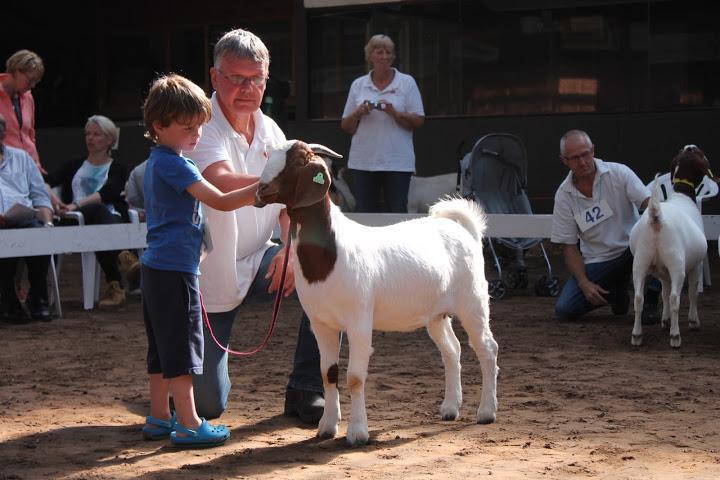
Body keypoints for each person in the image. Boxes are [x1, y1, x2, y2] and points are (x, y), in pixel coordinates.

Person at [186, 28, 325, 424]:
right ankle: (188, 382)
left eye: (256, 79)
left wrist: (292, 247)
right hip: (210, 269)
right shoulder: (200, 124)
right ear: (214, 78)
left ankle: (306, 389)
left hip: (261, 256)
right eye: (236, 78)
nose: (248, 88)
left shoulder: (272, 130)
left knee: (325, 273)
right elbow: (222, 181)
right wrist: (288, 179)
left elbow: (288, 207)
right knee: (208, 406)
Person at [140, 73, 260, 447]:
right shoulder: (178, 165)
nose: (196, 135)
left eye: (199, 127)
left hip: (157, 267)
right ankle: (190, 422)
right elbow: (221, 200)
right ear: (159, 126)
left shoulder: (157, 161)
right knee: (183, 348)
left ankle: (160, 416)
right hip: (176, 269)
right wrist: (268, 185)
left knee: (161, 347)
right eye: (188, 127)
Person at [551, 129, 660, 322]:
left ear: (593, 150)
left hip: (633, 249)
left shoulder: (619, 173)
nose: (583, 161)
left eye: (585, 154)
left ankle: (650, 297)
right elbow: (568, 247)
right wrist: (584, 284)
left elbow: (647, 204)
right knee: (565, 309)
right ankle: (617, 291)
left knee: (659, 240)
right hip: (598, 260)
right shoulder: (563, 195)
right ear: (564, 160)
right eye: (575, 158)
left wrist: (667, 214)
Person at [45, 115, 129, 309]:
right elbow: (45, 181)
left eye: (96, 134)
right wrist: (57, 202)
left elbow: (110, 191)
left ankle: (116, 284)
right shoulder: (74, 165)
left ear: (110, 140)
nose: (90, 138)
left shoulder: (117, 168)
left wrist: (78, 203)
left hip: (108, 217)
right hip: (75, 220)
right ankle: (122, 263)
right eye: (88, 134)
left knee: (99, 217)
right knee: (97, 217)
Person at [340, 34, 425, 213]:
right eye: (379, 52)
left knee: (397, 213)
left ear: (393, 56)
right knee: (366, 213)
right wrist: (358, 113)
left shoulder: (406, 82)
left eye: (389, 52)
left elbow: (418, 120)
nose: (384, 56)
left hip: (397, 162)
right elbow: (346, 126)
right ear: (370, 56)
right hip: (363, 162)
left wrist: (394, 113)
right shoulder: (359, 85)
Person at [0, 113, 53, 323]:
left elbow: (40, 195)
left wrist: (48, 223)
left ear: (3, 134)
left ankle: (38, 297)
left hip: (23, 217)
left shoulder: (21, 158)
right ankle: (8, 300)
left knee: (40, 234)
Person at [0, 50, 44, 173]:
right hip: (5, 168)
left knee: (48, 190)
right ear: (17, 71)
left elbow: (30, 135)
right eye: (30, 80)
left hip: (30, 166)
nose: (33, 85)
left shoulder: (28, 97)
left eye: (36, 81)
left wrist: (37, 164)